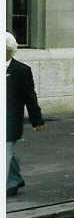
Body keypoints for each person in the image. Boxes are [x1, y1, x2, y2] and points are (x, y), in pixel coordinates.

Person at [6, 32, 45, 197]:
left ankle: (8, 184)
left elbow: (30, 97)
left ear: (9, 50)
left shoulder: (22, 70)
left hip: (10, 121)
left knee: (5, 152)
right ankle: (15, 178)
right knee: (8, 153)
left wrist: (37, 120)